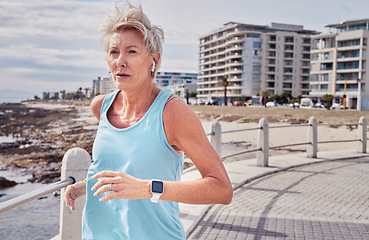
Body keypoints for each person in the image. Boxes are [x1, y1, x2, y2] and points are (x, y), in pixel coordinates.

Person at [64, 2, 232, 239]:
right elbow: (119, 166)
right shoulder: (101, 106)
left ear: (153, 59)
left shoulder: (172, 113)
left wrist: (145, 188)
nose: (120, 61)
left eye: (131, 51)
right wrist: (86, 186)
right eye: (114, 52)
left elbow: (222, 189)